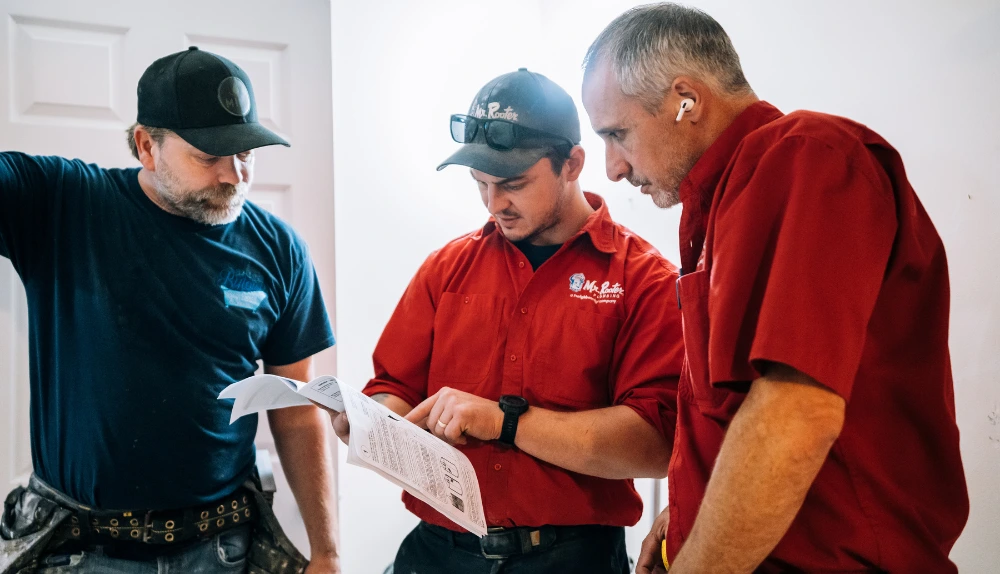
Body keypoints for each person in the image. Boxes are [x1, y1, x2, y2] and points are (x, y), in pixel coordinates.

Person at [581, 4, 969, 573]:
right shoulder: (720, 205)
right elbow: (735, 412)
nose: (613, 168)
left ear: (685, 100)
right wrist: (688, 518)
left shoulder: (808, 154)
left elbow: (795, 410)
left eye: (617, 134)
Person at [0, 47, 339, 573]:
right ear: (146, 146)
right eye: (209, 156)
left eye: (246, 152)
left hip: (222, 548)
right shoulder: (63, 204)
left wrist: (327, 552)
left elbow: (296, 409)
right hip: (84, 551)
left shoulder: (278, 249)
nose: (234, 175)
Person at [330, 69, 684, 573]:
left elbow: (656, 444)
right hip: (437, 555)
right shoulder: (445, 269)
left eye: (514, 184)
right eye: (481, 185)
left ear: (572, 164)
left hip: (572, 560)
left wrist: (504, 421)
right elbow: (394, 388)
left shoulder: (644, 279)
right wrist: (371, 422)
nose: (496, 204)